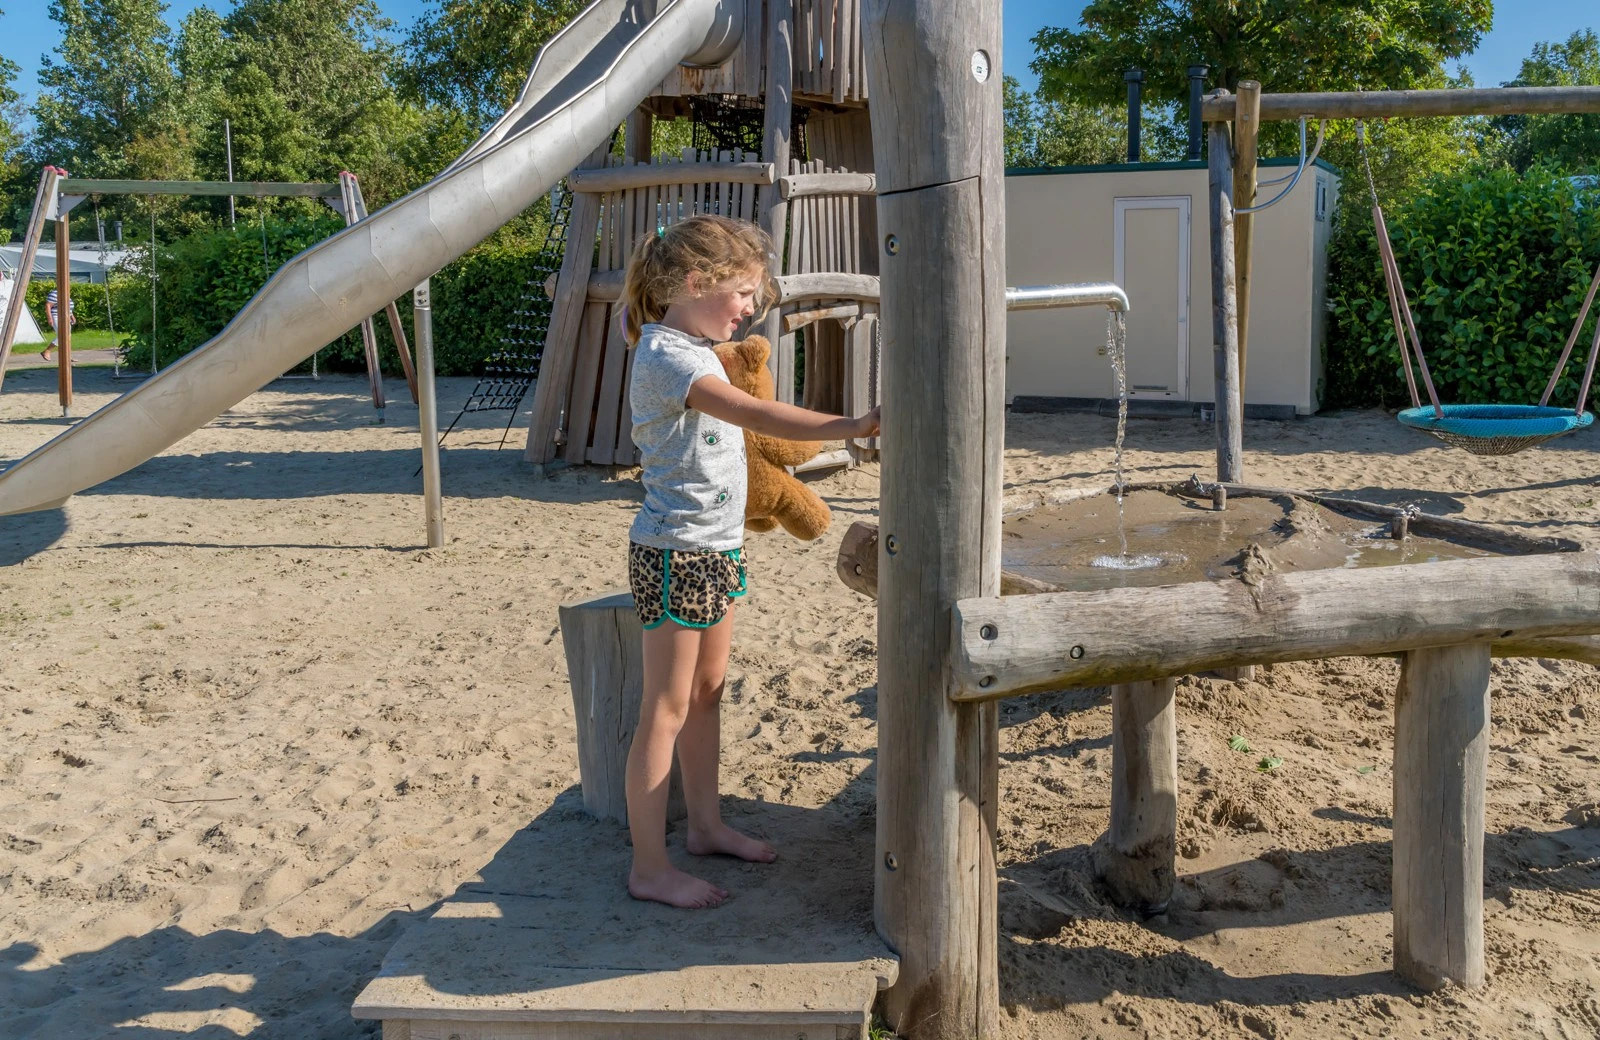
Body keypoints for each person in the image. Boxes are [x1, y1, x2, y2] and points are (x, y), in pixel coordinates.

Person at [620, 214, 879, 909]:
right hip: (676, 552)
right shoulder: (668, 355)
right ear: (695, 282)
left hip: (715, 547)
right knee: (666, 708)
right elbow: (754, 416)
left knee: (707, 692)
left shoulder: (697, 349)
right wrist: (851, 426)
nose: (750, 309)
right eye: (742, 293)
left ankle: (705, 828)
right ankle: (649, 868)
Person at [38, 287, 76, 364]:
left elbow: (67, 306)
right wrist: (49, 318)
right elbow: (48, 305)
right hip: (57, 316)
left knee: (68, 336)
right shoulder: (55, 293)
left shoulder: (66, 294)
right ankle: (47, 351)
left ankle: (67, 356)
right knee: (62, 335)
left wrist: (72, 316)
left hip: (66, 317)